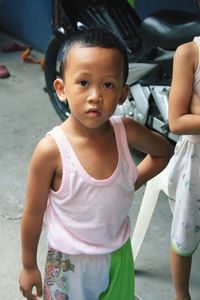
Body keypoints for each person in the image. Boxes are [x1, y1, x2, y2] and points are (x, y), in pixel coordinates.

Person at [19, 28, 172, 300]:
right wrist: (29, 265)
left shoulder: (128, 132)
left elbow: (163, 153)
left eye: (108, 85)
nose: (95, 95)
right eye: (83, 82)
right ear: (61, 89)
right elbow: (32, 213)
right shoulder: (51, 150)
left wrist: (129, 182)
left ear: (123, 94)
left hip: (118, 255)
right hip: (67, 263)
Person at [168, 36, 200, 300]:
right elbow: (178, 121)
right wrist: (188, 111)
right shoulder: (190, 53)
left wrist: (197, 108)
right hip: (195, 162)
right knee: (184, 233)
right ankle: (182, 295)